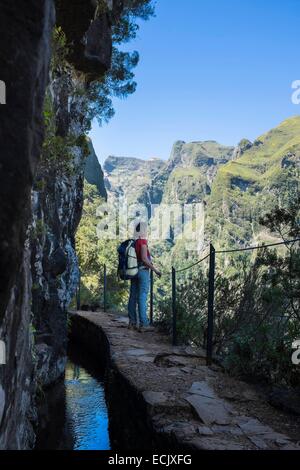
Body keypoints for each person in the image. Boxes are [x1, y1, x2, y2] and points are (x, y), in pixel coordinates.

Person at [128, 221, 161, 332]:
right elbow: (144, 258)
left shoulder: (134, 242)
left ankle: (132, 322)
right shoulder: (142, 241)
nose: (147, 231)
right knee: (142, 296)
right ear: (142, 230)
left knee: (133, 296)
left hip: (133, 271)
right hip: (143, 272)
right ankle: (144, 324)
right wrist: (155, 270)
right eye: (146, 229)